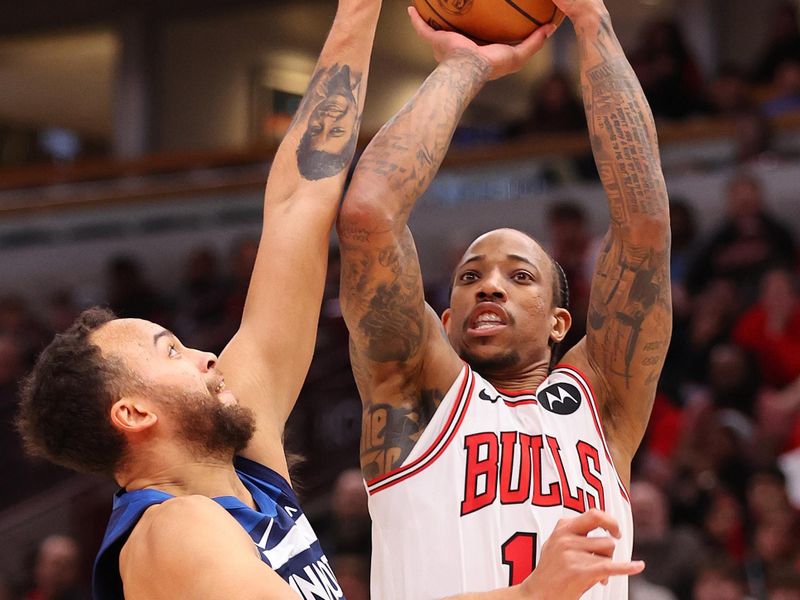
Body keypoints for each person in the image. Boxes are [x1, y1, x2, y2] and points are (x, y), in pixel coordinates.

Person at [16, 1, 382, 598]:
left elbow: (297, 206)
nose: (206, 356)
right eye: (171, 351)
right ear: (133, 413)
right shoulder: (173, 528)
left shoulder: (245, 474)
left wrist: (362, 12)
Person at [337, 0, 671, 598]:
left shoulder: (604, 404)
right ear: (445, 319)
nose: (489, 284)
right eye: (469, 278)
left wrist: (594, 23)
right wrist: (463, 67)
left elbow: (643, 226)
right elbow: (367, 216)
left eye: (520, 277)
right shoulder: (419, 395)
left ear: (559, 321)